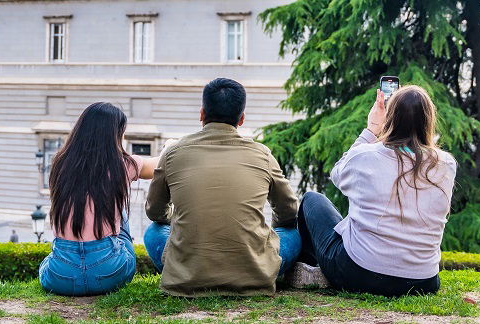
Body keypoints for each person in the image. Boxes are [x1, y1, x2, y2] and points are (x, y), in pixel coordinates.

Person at [292, 85, 456, 297]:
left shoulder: (366, 156)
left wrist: (371, 130)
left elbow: (337, 174)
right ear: (428, 120)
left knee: (312, 200)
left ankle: (311, 271)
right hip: (424, 282)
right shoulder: (446, 163)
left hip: (361, 273)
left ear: (391, 118)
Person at [144, 78, 300, 296]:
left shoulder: (173, 153)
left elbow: (154, 212)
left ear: (201, 114)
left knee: (154, 232)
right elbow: (289, 211)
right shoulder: (262, 154)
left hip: (186, 278)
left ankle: (183, 272)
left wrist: (181, 219)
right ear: (242, 119)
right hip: (255, 276)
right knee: (292, 232)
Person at [38, 102, 155, 296]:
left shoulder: (60, 164)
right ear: (115, 135)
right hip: (110, 273)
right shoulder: (123, 165)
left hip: (61, 278)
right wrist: (171, 146)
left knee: (48, 263)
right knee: (121, 212)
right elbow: (158, 166)